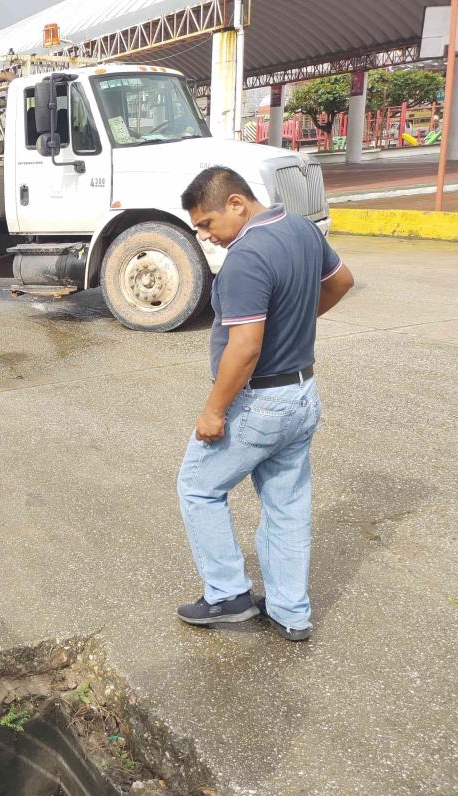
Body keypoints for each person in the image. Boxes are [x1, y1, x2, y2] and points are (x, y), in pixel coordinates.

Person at [175, 166, 354, 642]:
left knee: (198, 487)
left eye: (207, 224)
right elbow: (341, 282)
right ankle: (291, 612)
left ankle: (227, 594)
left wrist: (214, 411)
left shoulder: (246, 258)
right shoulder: (300, 228)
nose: (205, 236)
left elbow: (245, 348)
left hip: (262, 404)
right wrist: (294, 323)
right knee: (287, 506)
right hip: (302, 395)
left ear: (237, 203)